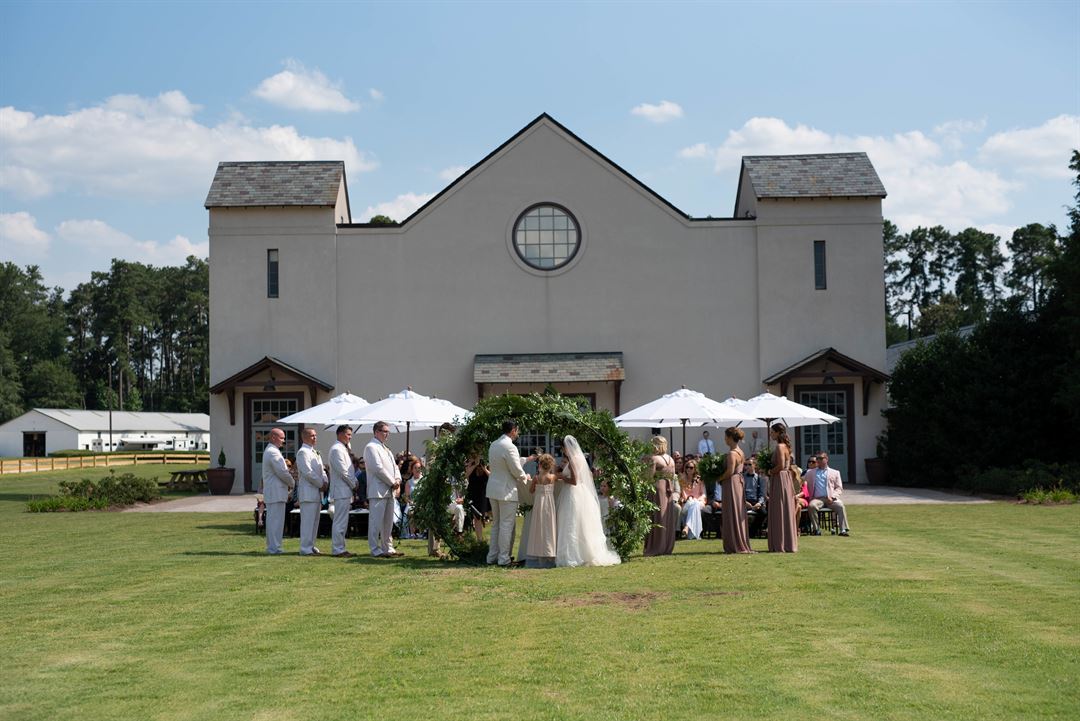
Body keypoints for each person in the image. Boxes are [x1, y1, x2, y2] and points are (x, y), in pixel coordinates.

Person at [556, 435, 621, 567]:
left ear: (566, 448)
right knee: (581, 523)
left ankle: (574, 555)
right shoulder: (581, 458)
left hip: (572, 493)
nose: (563, 451)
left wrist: (561, 477)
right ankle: (584, 553)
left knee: (571, 522)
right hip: (582, 493)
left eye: (563, 448)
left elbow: (574, 481)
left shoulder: (573, 460)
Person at [486, 420, 530, 566]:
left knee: (496, 525)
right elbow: (516, 469)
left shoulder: (494, 444)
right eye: (517, 430)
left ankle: (492, 557)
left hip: (493, 488)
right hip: (506, 490)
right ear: (513, 430)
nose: (517, 433)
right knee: (506, 525)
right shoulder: (509, 446)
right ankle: (504, 559)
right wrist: (525, 477)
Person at [364, 421, 403, 558]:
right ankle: (375, 549)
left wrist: (398, 480)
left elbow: (395, 467)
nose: (387, 434)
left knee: (388, 522)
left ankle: (388, 547)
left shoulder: (386, 449)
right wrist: (392, 482)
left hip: (390, 490)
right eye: (384, 431)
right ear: (376, 432)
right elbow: (377, 468)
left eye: (388, 431)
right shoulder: (371, 447)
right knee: (375, 522)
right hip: (378, 490)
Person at [718, 427, 753, 553]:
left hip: (732, 482)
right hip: (738, 481)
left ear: (730, 438)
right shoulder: (741, 452)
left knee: (731, 511)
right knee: (737, 510)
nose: (725, 439)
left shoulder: (732, 453)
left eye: (726, 437)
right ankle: (738, 540)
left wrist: (719, 478)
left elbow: (729, 471)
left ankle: (734, 543)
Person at [642, 435, 678, 557]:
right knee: (666, 518)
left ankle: (656, 546)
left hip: (657, 488)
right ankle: (666, 546)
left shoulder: (654, 459)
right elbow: (672, 476)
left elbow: (648, 477)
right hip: (668, 489)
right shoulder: (671, 459)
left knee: (656, 517)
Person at [262, 428, 295, 555]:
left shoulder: (272, 451)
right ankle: (274, 548)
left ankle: (273, 546)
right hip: (275, 491)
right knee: (275, 521)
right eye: (281, 438)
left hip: (274, 491)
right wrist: (292, 483)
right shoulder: (273, 452)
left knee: (274, 521)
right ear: (273, 437)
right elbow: (282, 472)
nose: (283, 441)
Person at [766, 422, 798, 553]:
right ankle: (786, 541)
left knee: (779, 509)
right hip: (785, 478)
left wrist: (769, 471)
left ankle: (780, 543)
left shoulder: (780, 447)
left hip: (779, 478)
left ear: (778, 433)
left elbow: (779, 466)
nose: (771, 434)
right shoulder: (786, 447)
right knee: (785, 509)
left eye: (772, 432)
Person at [295, 428, 328, 556]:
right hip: (308, 492)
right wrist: (320, 484)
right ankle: (305, 548)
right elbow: (307, 472)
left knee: (315, 522)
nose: (315, 438)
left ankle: (311, 545)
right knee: (307, 522)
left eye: (316, 435)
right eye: (312, 436)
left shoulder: (315, 452)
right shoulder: (302, 452)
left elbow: (322, 469)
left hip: (317, 493)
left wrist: (325, 481)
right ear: (304, 437)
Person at [327, 425, 358, 557]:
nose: (350, 437)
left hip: (345, 490)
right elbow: (343, 472)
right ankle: (337, 549)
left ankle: (341, 547)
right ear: (340, 434)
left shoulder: (343, 449)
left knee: (343, 521)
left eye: (351, 435)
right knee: (340, 520)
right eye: (347, 434)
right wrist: (354, 483)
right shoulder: (336, 449)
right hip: (341, 490)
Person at [804, 452, 850, 536]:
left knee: (841, 506)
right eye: (817, 458)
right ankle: (816, 529)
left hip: (830, 499)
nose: (818, 460)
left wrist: (832, 497)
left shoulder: (835, 472)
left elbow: (839, 488)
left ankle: (843, 530)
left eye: (821, 458)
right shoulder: (810, 473)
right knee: (811, 506)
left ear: (826, 459)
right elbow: (802, 482)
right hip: (817, 499)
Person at [526, 454, 558, 569]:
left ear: (540, 465)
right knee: (549, 527)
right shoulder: (552, 477)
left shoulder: (536, 478)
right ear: (550, 466)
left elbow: (530, 491)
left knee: (538, 527)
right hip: (549, 505)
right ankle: (549, 552)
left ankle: (538, 551)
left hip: (539, 505)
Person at [465, 455, 490, 541]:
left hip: (484, 494)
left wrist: (484, 468)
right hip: (473, 494)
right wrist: (475, 464)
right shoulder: (470, 464)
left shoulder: (486, 464)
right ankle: (479, 539)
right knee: (477, 517)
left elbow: (492, 477)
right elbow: (466, 474)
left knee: (488, 514)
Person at [679, 461, 707, 540]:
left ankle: (687, 527)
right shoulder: (681, 480)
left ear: (695, 469)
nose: (688, 469)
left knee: (695, 504)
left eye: (691, 467)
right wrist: (683, 499)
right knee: (693, 505)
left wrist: (697, 499)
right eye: (687, 467)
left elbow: (704, 494)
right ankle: (693, 533)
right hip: (686, 503)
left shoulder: (699, 480)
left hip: (699, 502)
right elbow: (680, 494)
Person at [743, 456, 767, 538]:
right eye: (745, 465)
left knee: (764, 513)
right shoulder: (742, 477)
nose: (747, 466)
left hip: (755, 501)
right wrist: (744, 502)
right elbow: (740, 492)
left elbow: (762, 493)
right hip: (745, 501)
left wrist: (759, 503)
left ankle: (752, 532)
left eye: (749, 464)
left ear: (754, 465)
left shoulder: (759, 478)